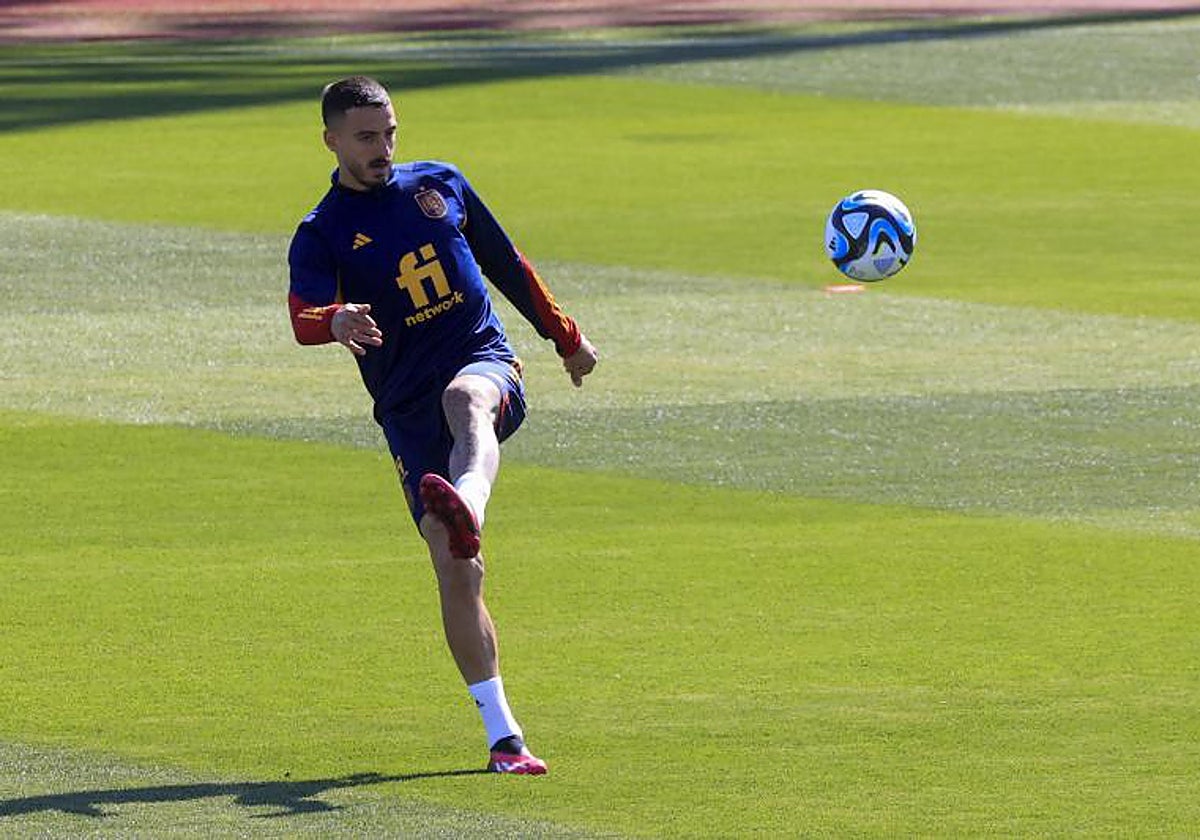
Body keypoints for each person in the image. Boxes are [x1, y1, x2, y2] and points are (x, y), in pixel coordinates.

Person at [287, 76, 598, 775]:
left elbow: (507, 262)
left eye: (390, 131)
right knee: (457, 571)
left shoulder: (442, 184)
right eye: (367, 137)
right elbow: (302, 312)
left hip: (481, 360)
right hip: (403, 407)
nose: (383, 148)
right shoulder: (322, 231)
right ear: (331, 140)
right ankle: (505, 737)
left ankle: (469, 501)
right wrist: (333, 321)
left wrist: (565, 337)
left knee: (468, 401)